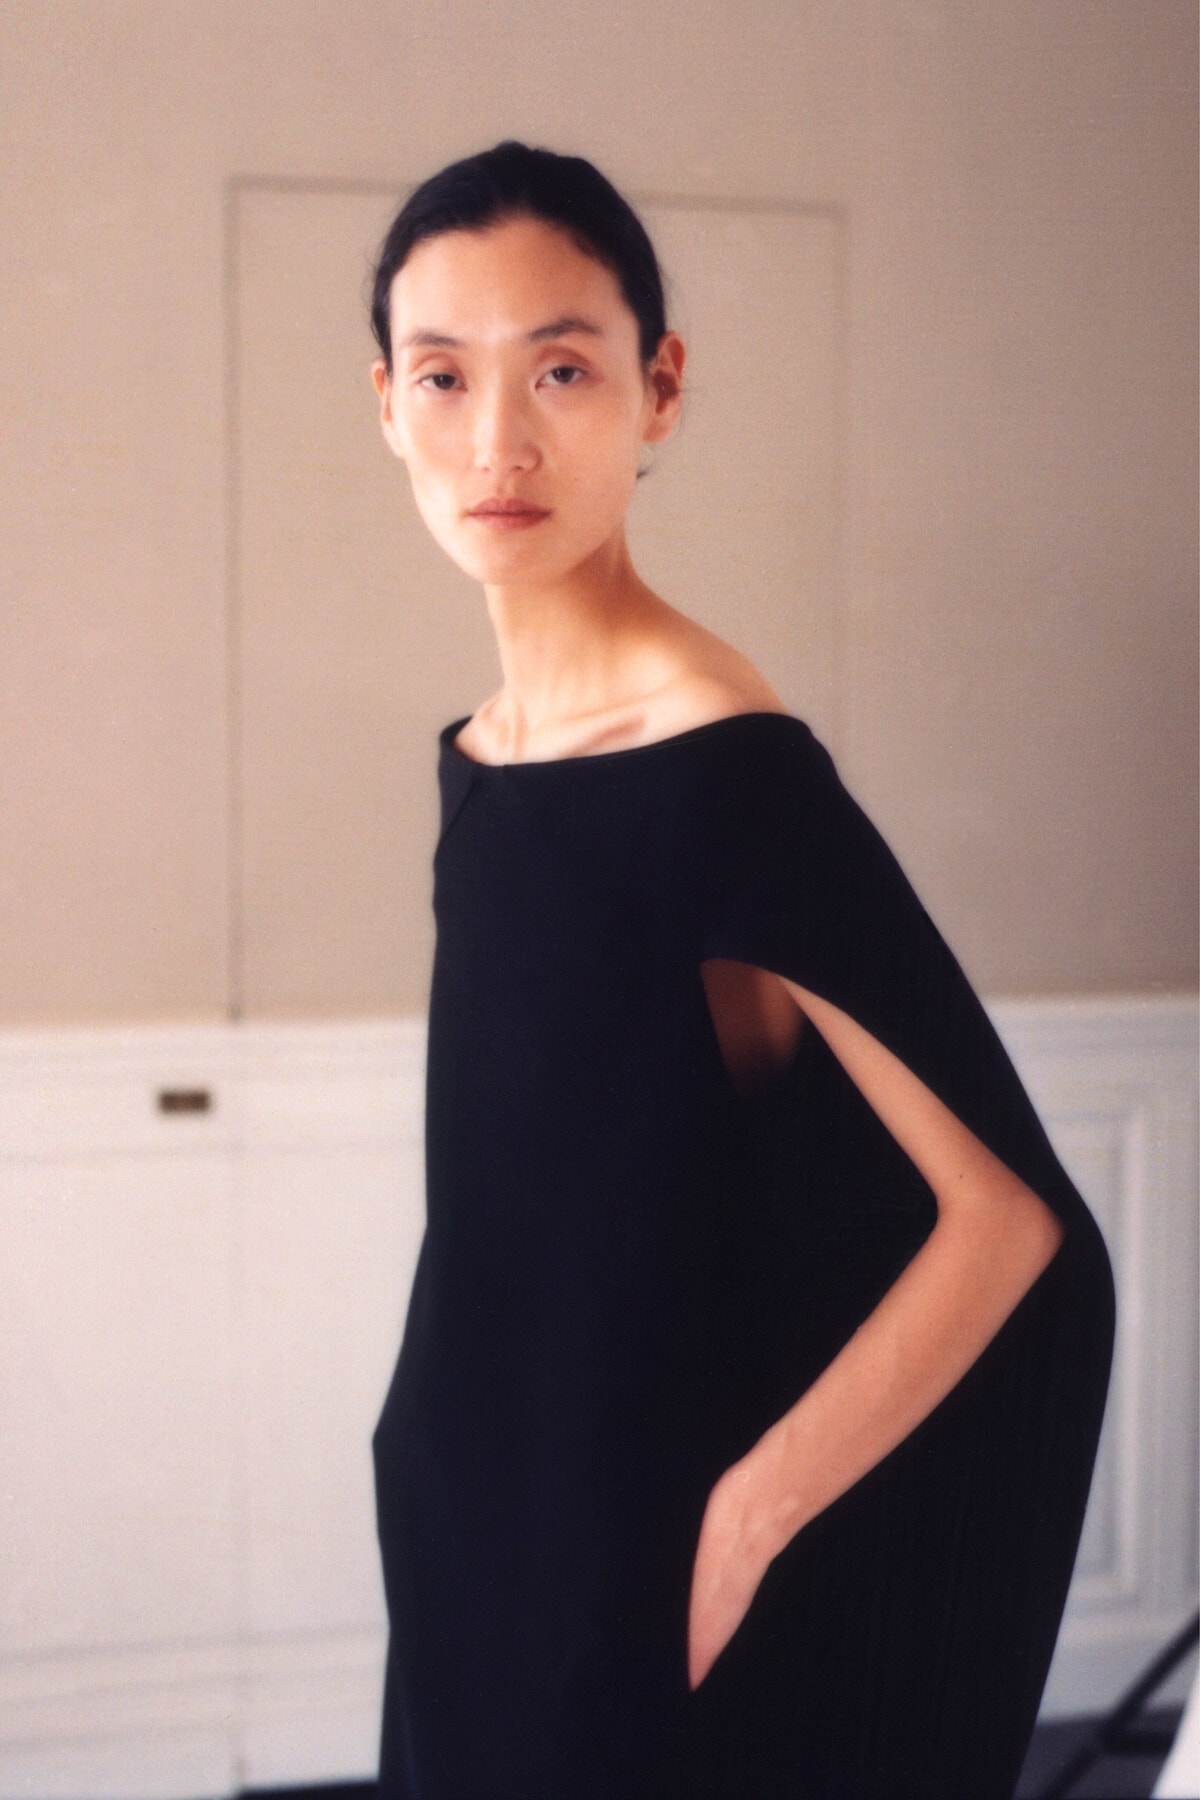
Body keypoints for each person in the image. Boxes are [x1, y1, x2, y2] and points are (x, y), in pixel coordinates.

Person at [367, 141, 1114, 1799]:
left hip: (640, 1554)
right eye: (445, 377)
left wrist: (751, 1516)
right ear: (389, 409)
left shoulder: (722, 767)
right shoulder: (487, 752)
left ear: (659, 389)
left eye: (562, 367)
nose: (498, 439)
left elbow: (1007, 1221)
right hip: (462, 1503)